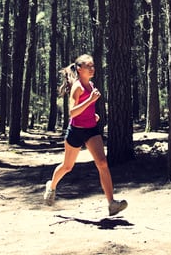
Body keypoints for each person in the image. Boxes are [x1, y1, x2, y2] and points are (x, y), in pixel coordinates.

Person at [43, 53, 128, 217]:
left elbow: (87, 110)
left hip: (91, 129)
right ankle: (51, 186)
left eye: (93, 66)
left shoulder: (91, 84)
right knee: (67, 166)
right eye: (88, 66)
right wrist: (90, 101)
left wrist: (93, 115)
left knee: (102, 163)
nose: (92, 69)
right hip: (76, 131)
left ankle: (112, 203)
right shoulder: (78, 87)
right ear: (80, 69)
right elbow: (72, 112)